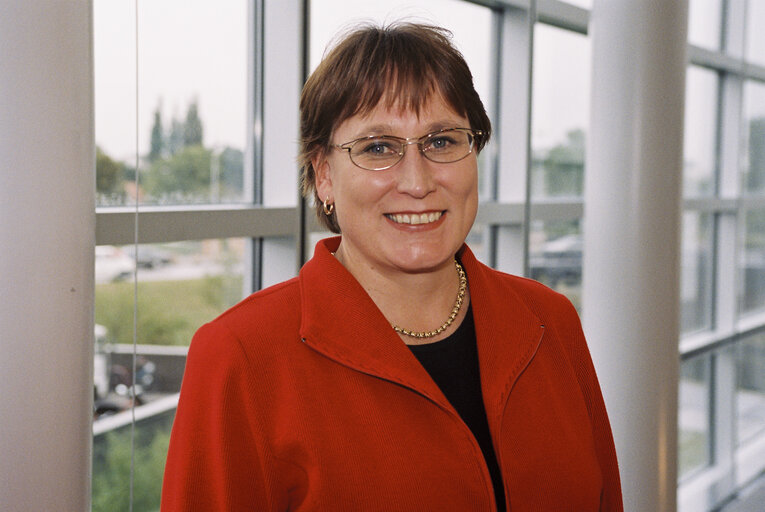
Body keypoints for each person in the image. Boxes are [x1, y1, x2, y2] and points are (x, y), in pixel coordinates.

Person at [161, 22, 623, 511]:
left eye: (442, 141)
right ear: (324, 177)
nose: (417, 181)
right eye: (378, 147)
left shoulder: (550, 320)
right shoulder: (242, 357)